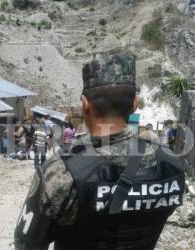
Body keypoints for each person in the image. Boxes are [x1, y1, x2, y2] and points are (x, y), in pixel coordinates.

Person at [14, 52, 185, 250]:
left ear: (85, 104)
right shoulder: (170, 163)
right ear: (135, 103)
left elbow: (27, 244)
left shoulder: (60, 172)